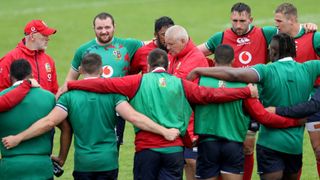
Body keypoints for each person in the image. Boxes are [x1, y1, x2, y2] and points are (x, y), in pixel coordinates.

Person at [55, 48, 259, 180]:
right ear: (167, 65)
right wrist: (245, 91)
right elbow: (210, 94)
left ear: (149, 66)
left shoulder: (137, 81)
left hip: (146, 151)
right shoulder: (180, 83)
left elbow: (103, 83)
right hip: (174, 152)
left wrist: (71, 84)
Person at [2, 53, 180, 180]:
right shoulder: (113, 95)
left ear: (80, 69)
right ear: (102, 70)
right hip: (108, 162)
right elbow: (134, 117)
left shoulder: (69, 97)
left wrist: (19, 138)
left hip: (83, 164)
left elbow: (50, 122)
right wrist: (164, 131)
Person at [197, 3, 318, 179]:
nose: (238, 25)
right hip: (233, 99)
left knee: (247, 147)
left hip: (254, 98)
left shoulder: (265, 33)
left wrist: (306, 27)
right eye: (235, 21)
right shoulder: (221, 36)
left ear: (251, 20)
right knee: (232, 144)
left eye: (242, 21)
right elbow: (195, 53)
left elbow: (290, 31)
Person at [194, 44, 305, 180]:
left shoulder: (200, 80)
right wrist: (293, 121)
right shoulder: (244, 85)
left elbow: (187, 109)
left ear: (213, 59)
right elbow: (263, 116)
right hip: (233, 145)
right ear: (233, 60)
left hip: (207, 144)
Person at [61, 12, 144, 149]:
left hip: (117, 107)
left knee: (113, 147)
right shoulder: (83, 50)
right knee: (88, 145)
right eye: (99, 28)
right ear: (93, 28)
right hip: (90, 106)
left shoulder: (128, 45)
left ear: (114, 27)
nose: (104, 31)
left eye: (107, 27)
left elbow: (153, 44)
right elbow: (70, 81)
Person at [0, 59, 70, 179]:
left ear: (10, 76)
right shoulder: (48, 98)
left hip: (10, 168)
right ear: (32, 75)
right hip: (41, 168)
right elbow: (66, 129)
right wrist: (61, 158)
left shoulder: (2, 97)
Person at [165, 25, 209, 180]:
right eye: (166, 44)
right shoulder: (174, 55)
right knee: (183, 162)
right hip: (179, 120)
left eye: (171, 44)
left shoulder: (195, 59)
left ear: (183, 41)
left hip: (193, 123)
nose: (168, 48)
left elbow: (172, 87)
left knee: (192, 162)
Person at [0, 19, 58, 94]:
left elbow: (54, 91)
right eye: (44, 35)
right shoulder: (10, 59)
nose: (48, 38)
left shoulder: (48, 60)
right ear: (32, 36)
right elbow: (1, 91)